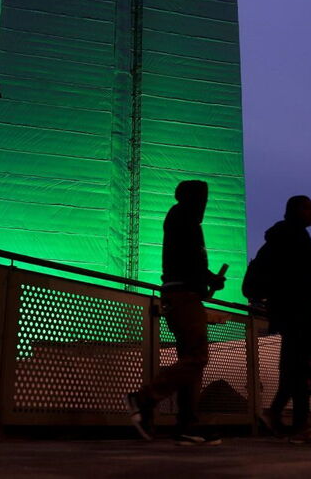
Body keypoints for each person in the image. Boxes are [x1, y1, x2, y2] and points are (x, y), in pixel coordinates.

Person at [126, 180, 225, 446]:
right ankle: (144, 398)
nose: (205, 203)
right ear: (193, 198)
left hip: (181, 295)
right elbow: (189, 259)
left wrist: (208, 279)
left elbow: (187, 259)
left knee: (190, 360)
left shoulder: (181, 218)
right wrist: (207, 280)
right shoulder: (184, 218)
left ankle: (187, 425)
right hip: (184, 296)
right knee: (196, 357)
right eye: (202, 197)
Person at [259, 195, 311, 444]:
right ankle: (300, 426)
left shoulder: (280, 237)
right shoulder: (296, 237)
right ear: (295, 210)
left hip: (285, 311)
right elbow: (301, 278)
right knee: (300, 367)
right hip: (300, 312)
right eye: (309, 208)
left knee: (294, 367)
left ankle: (276, 414)